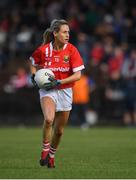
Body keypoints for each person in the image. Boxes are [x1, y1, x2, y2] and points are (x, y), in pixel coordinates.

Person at [29, 19, 85, 168]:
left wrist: (60, 82)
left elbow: (78, 75)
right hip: (48, 90)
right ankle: (45, 150)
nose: (68, 35)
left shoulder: (72, 50)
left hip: (65, 90)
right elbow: (33, 62)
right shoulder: (44, 50)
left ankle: (52, 156)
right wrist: (33, 75)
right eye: (64, 32)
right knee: (49, 119)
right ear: (55, 33)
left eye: (68, 32)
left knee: (59, 131)